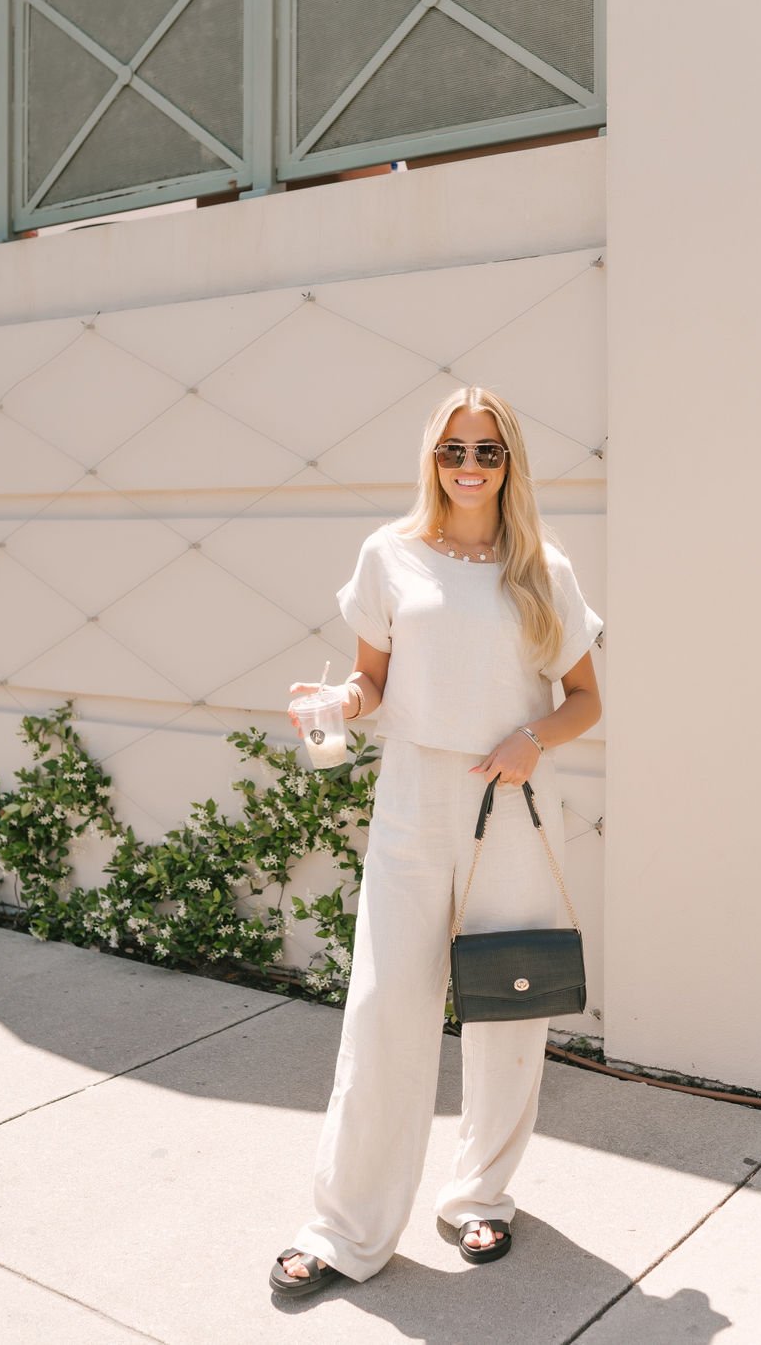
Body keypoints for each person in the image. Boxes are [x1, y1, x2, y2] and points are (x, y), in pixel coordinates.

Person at [270, 384, 604, 1297]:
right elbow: (374, 680)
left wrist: (529, 739)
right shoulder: (392, 554)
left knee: (509, 1001)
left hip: (513, 805)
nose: (468, 465)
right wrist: (341, 702)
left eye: (487, 451)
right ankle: (344, 1229)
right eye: (453, 449)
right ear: (432, 457)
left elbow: (586, 699)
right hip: (416, 796)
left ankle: (480, 1195)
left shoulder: (543, 569)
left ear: (510, 463)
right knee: (385, 1009)